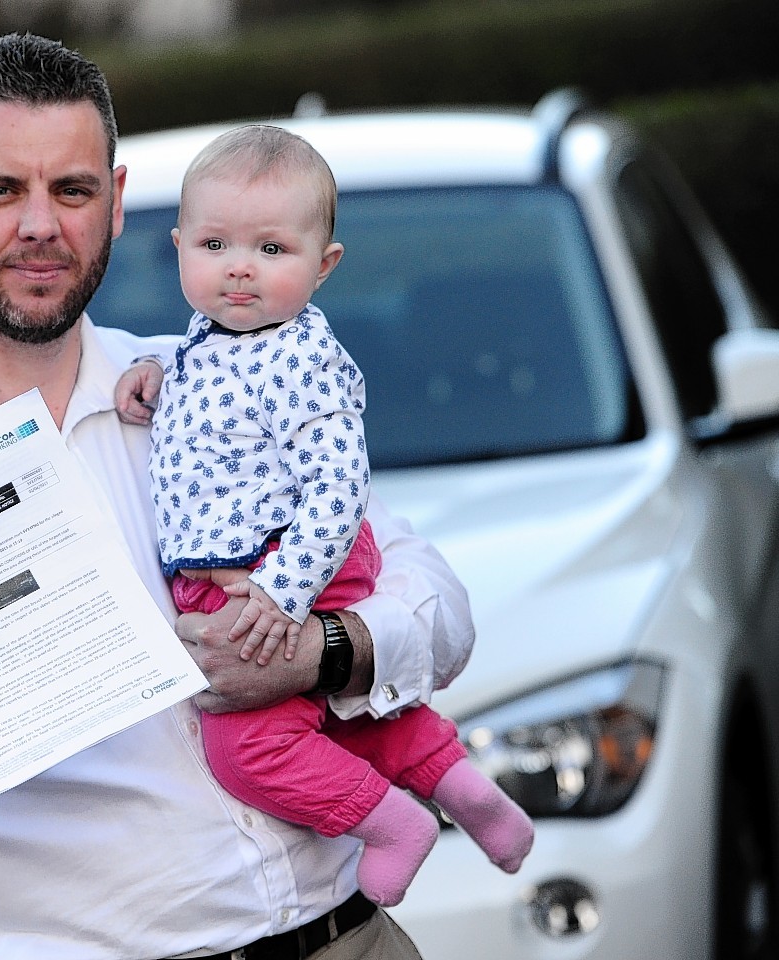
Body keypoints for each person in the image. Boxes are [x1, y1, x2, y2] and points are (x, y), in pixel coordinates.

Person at [0, 32, 477, 960]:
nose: (41, 225)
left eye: (71, 190)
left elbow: (443, 610)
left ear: (114, 203)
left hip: (355, 942)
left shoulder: (211, 381)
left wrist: (321, 648)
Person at [113, 124, 533, 908]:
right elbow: (209, 371)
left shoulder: (305, 358)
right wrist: (154, 368)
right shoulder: (207, 341)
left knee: (249, 748)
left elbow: (340, 491)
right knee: (354, 721)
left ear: (324, 264)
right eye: (214, 245)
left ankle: (391, 826)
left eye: (272, 250)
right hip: (255, 566)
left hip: (288, 565)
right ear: (178, 249)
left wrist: (283, 595)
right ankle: (470, 793)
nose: (239, 266)